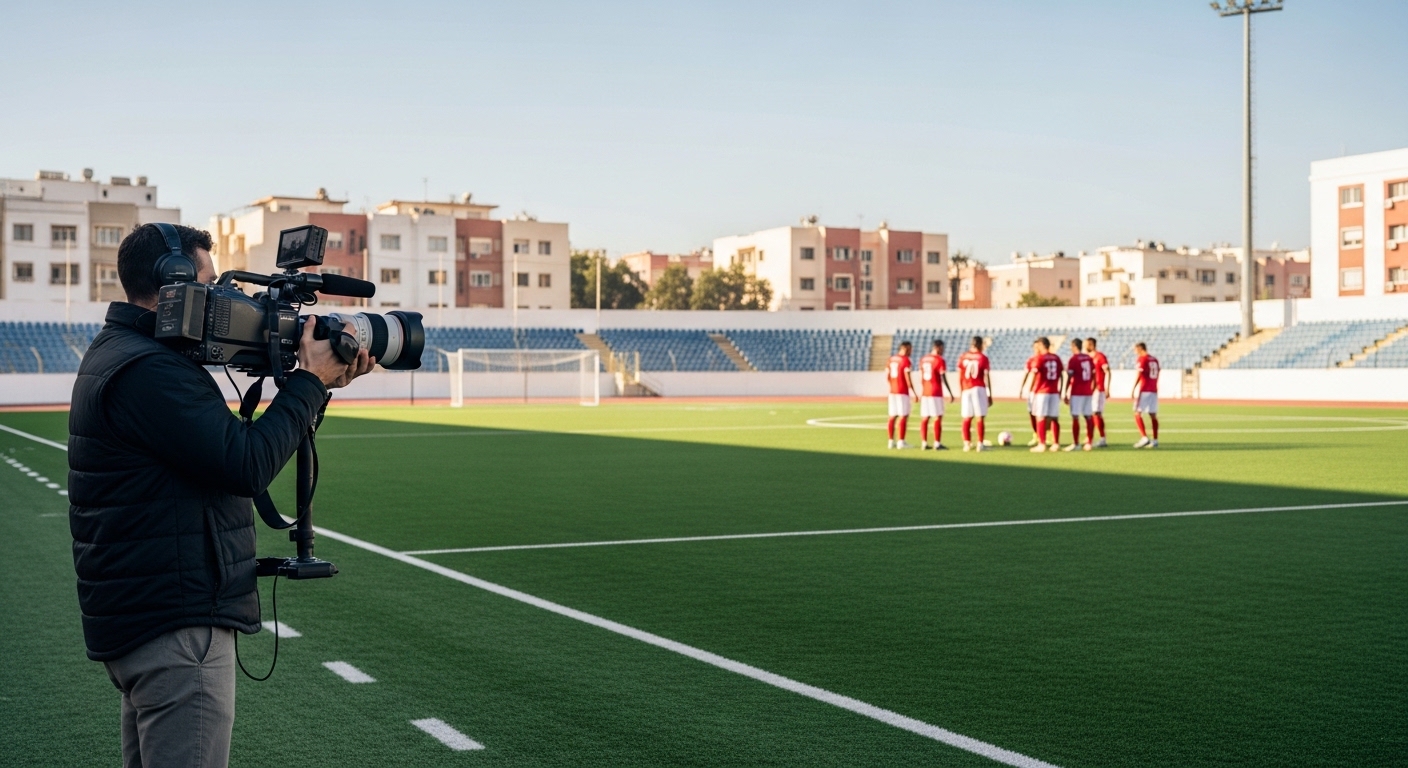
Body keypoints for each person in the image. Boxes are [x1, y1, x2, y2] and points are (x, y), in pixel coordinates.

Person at [68, 223, 376, 768]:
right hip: (176, 625)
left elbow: (224, 453)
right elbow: (246, 465)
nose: (221, 299)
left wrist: (313, 385)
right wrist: (309, 382)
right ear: (173, 280)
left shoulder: (127, 352)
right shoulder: (150, 370)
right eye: (211, 283)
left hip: (148, 615)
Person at [917, 339, 956, 451]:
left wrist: (923, 388)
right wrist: (950, 392)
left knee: (925, 417)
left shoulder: (923, 359)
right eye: (942, 348)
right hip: (935, 392)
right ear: (938, 347)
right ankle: (937, 443)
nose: (943, 351)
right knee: (937, 417)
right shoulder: (939, 360)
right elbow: (943, 377)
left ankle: (924, 443)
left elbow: (921, 376)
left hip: (925, 392)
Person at [957, 336, 993, 452]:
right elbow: (986, 376)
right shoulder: (982, 357)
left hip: (966, 388)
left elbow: (960, 376)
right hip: (978, 387)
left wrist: (960, 390)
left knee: (966, 417)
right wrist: (989, 394)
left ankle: (966, 444)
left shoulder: (963, 357)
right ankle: (980, 444)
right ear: (980, 344)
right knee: (979, 417)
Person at [1028, 337, 1064, 453]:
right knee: (1054, 418)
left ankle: (1042, 444)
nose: (1036, 347)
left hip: (1042, 391)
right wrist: (1060, 389)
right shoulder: (1056, 358)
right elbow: (1061, 375)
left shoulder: (1040, 358)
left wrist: (1031, 389)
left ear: (1042, 345)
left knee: (1040, 417)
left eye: (1038, 345)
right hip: (1054, 391)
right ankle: (1056, 443)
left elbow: (1034, 375)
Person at [1063, 338, 1096, 452]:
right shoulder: (1088, 358)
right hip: (1087, 391)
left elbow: (1069, 377)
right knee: (1088, 416)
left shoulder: (1073, 359)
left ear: (1073, 346)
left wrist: (1066, 391)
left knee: (1075, 417)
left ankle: (1076, 443)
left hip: (1077, 391)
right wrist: (1091, 386)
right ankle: (1089, 443)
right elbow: (1094, 374)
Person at [886, 340, 918, 449]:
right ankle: (901, 442)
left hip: (892, 391)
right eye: (909, 349)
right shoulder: (906, 361)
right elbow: (908, 379)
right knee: (903, 416)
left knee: (892, 416)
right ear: (904, 348)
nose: (911, 351)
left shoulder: (891, 359)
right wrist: (914, 393)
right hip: (902, 391)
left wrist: (892, 386)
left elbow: (887, 376)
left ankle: (890, 441)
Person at [1131, 341, 1160, 448]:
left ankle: (1144, 437)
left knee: (1137, 413)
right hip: (1153, 390)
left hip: (1145, 390)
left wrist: (1133, 388)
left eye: (1135, 349)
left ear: (1140, 348)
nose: (1134, 351)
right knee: (1153, 415)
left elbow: (1139, 374)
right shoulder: (1155, 359)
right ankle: (1155, 440)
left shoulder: (1142, 359)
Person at [1084, 337, 1111, 448]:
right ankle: (1090, 436)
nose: (1084, 347)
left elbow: (1108, 371)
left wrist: (1107, 388)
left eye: (1086, 345)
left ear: (1091, 345)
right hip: (1090, 390)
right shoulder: (1088, 358)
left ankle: (1102, 438)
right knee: (1091, 414)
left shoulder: (1100, 356)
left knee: (1096, 413)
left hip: (1098, 389)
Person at [1019, 344, 1043, 447]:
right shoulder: (1031, 360)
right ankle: (1036, 434)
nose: (1036, 349)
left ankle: (1046, 435)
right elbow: (1027, 374)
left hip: (1042, 391)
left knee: (1044, 414)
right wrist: (1022, 388)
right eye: (1035, 347)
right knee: (1032, 413)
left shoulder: (1044, 359)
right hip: (1033, 391)